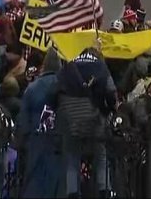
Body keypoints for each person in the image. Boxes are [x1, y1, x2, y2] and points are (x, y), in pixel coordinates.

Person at [55, 48, 117, 197]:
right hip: (93, 118)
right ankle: (104, 189)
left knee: (72, 156)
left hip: (70, 120)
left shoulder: (69, 66)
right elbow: (110, 91)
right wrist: (109, 108)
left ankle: (73, 192)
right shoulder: (100, 67)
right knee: (101, 154)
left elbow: (55, 89)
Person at [17, 48, 62, 198]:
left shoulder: (32, 88)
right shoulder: (65, 87)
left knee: (34, 185)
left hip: (35, 141)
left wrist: (22, 141)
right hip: (58, 143)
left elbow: (23, 119)